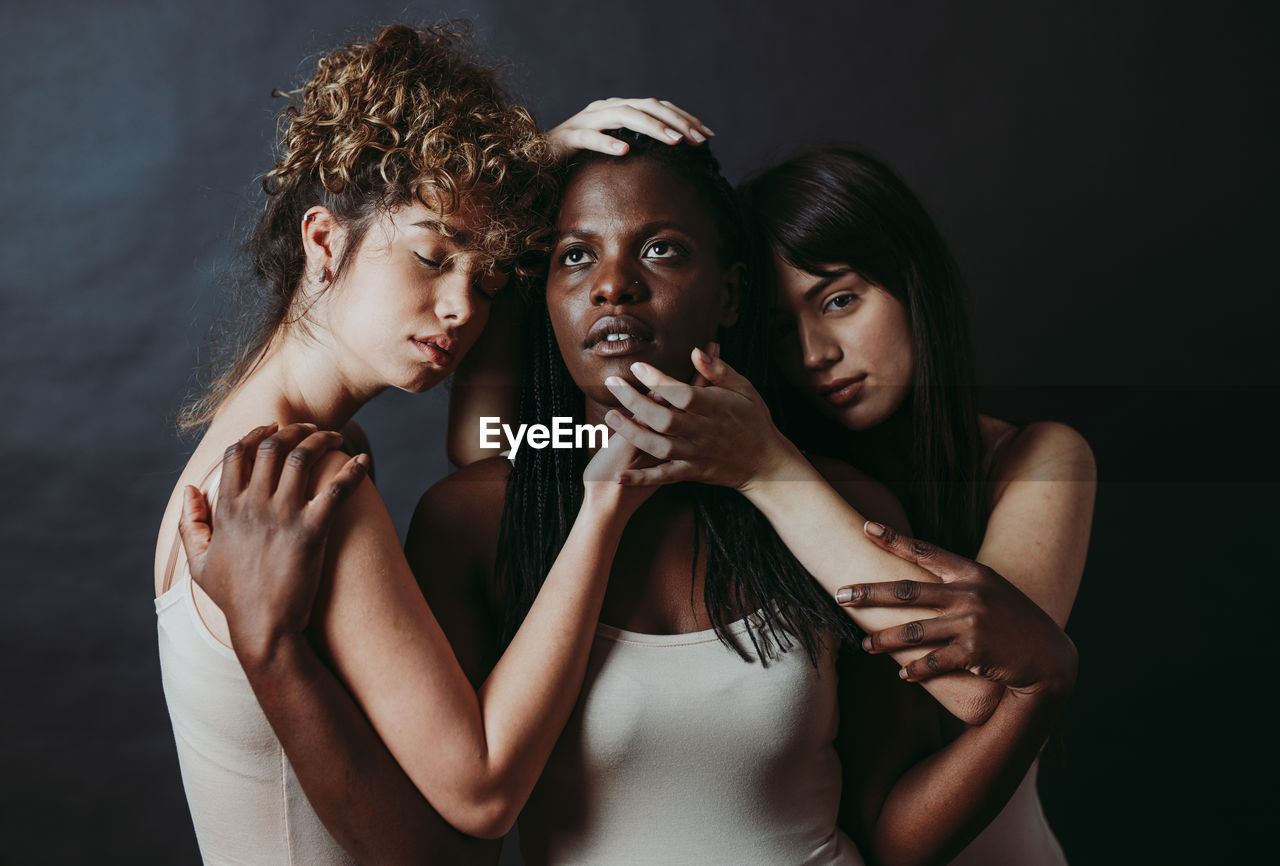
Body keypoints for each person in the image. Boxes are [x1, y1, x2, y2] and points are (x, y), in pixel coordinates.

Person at [185, 129, 1076, 865]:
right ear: (548, 301)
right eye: (577, 258)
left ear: (729, 295)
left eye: (660, 248)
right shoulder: (472, 517)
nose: (614, 283)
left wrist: (1043, 688)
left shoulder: (837, 499)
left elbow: (894, 829)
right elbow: (437, 850)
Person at [154, 25, 716, 864]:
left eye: (489, 281)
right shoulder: (296, 481)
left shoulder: (284, 441)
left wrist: (537, 178)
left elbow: (488, 440)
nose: (463, 309)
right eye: (430, 257)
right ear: (323, 241)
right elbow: (483, 790)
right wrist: (604, 504)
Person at [598, 145, 1095, 863]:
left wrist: (770, 471)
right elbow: (489, 442)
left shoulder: (1035, 459)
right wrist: (545, 162)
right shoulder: (758, 490)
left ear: (911, 282)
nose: (814, 353)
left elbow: (985, 681)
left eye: (839, 300)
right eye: (778, 329)